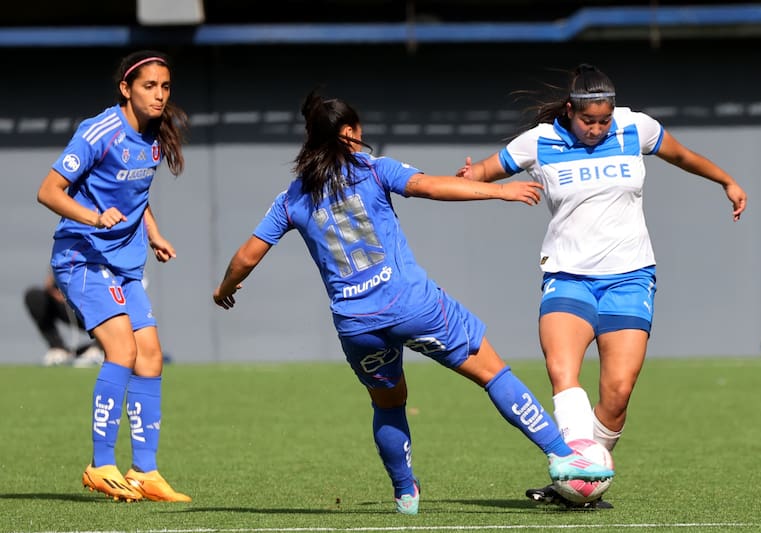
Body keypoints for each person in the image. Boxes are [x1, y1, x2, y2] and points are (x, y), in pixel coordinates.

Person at [212, 90, 614, 515]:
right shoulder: (373, 168)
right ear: (350, 133)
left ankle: (406, 494)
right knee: (493, 372)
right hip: (412, 305)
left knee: (388, 402)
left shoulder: (292, 197)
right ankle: (562, 455)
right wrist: (500, 192)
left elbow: (247, 256)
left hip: (356, 325)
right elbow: (430, 186)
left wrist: (225, 289)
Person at [457, 64, 747, 509]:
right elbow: (484, 171)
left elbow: (683, 156)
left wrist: (726, 180)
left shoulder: (637, 128)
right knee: (562, 372)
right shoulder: (541, 141)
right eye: (587, 120)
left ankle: (585, 480)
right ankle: (575, 469)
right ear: (570, 111)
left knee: (617, 392)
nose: (595, 128)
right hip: (568, 277)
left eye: (603, 120)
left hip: (630, 278)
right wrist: (469, 178)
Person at [36, 50, 191, 503]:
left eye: (165, 87)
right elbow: (48, 191)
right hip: (82, 259)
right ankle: (100, 464)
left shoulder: (154, 138)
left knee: (151, 357)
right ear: (126, 89)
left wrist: (155, 233)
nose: (159, 95)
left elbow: (134, 194)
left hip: (124, 264)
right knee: (122, 350)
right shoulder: (99, 131)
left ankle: (145, 471)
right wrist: (92, 217)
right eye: (149, 86)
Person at [24, 269, 104, 367]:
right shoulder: (63, 256)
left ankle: (99, 349)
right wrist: (55, 290)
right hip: (70, 307)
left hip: (101, 310)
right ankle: (59, 350)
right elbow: (50, 283)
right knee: (35, 296)